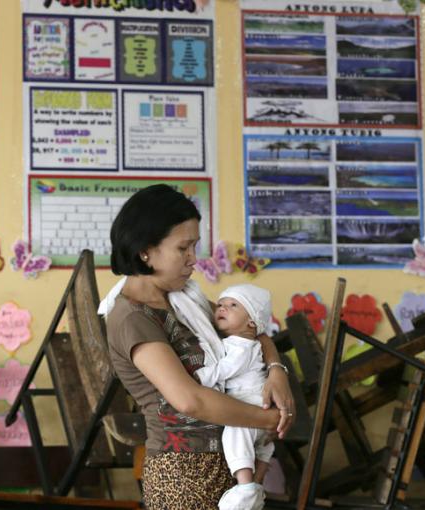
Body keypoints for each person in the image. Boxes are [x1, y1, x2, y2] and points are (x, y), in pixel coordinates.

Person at [100, 184, 294, 509]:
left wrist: (276, 370)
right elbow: (189, 401)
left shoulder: (180, 296)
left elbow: (248, 328)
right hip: (185, 473)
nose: (194, 259)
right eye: (183, 248)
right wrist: (269, 420)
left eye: (195, 246)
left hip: (231, 461)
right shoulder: (132, 318)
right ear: (145, 251)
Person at [195, 284, 275, 510]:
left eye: (233, 305)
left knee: (235, 433)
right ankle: (257, 485)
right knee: (263, 447)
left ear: (252, 322)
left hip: (250, 405)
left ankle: (245, 486)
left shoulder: (242, 346)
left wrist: (197, 377)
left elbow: (224, 369)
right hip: (258, 405)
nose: (222, 308)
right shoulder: (243, 343)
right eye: (220, 304)